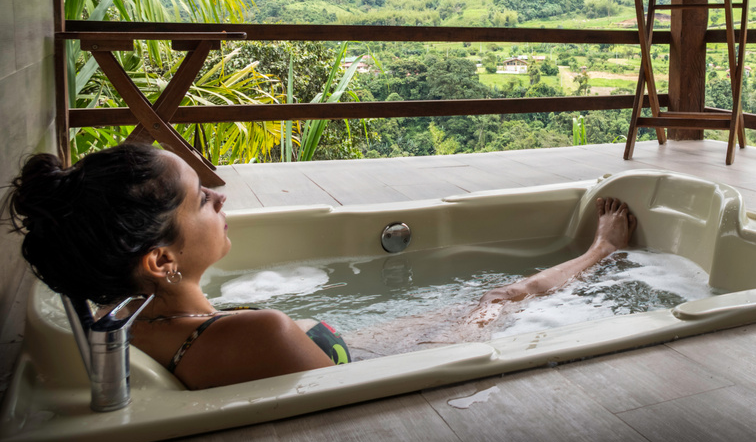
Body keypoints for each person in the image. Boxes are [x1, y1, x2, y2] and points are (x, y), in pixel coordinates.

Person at [4, 143, 636, 389]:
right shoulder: (259, 332)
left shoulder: (139, 318)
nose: (220, 195)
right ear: (161, 258)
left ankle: (591, 254)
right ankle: (601, 251)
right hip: (385, 362)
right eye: (201, 197)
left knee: (500, 294)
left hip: (356, 344)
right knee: (504, 297)